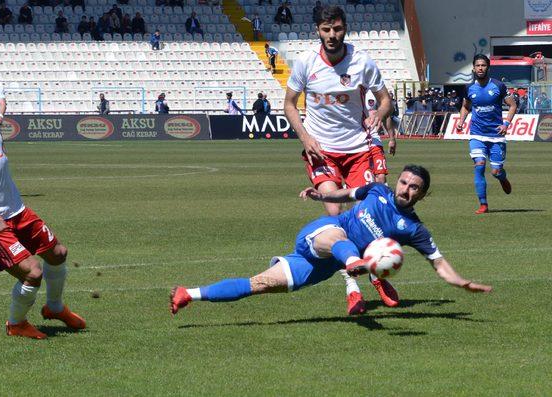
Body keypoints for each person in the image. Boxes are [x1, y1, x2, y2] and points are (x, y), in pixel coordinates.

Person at [170, 165, 493, 315]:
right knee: (342, 238)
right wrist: (318, 196)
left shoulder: (414, 230)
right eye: (404, 182)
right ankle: (355, 265)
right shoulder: (377, 190)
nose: (405, 189)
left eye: (414, 187)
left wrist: (461, 283)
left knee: (260, 285)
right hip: (322, 234)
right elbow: (344, 193)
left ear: (422, 194)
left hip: (324, 266)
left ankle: (190, 294)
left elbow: (438, 262)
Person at [0, 63, 86, 339]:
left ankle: (55, 308)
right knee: (33, 272)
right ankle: (16, 324)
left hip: (17, 210)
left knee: (58, 254)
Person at [283, 5, 394, 314]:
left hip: (359, 148)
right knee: (335, 214)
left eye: (337, 29)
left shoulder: (361, 62)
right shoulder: (306, 62)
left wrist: (379, 112)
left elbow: (386, 99)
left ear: (345, 29)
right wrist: (305, 137)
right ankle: (352, 287)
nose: (332, 35)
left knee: (367, 216)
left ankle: (376, 273)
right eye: (326, 30)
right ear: (318, 30)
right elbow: (289, 104)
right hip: (322, 151)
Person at [456, 54, 517, 214]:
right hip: (477, 134)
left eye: (483, 65)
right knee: (479, 166)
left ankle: (502, 177)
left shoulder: (498, 86)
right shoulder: (469, 88)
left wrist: (506, 124)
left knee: (495, 171)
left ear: (488, 68)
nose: (480, 68)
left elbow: (512, 105)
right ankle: (483, 204)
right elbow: (466, 106)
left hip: (496, 136)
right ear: (474, 68)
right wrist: (461, 121)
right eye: (478, 65)